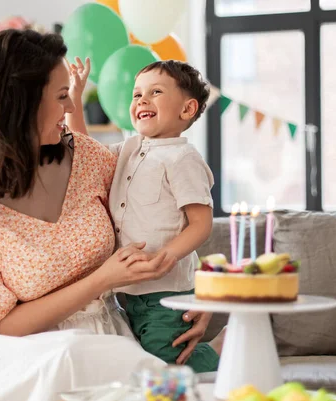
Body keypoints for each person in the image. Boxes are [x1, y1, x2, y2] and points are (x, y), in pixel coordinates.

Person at [0, 29, 180, 401]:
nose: (73, 108)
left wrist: (191, 298)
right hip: (21, 348)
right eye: (62, 97)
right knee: (70, 356)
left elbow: (164, 210)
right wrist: (102, 279)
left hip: (105, 337)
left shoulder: (88, 159)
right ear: (20, 103)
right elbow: (1, 324)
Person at [66, 59, 224, 373]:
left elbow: (201, 223)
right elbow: (81, 148)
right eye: (137, 94)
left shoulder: (182, 158)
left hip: (167, 290)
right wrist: (75, 96)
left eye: (155, 92)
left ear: (187, 109)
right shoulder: (127, 149)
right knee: (144, 356)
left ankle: (226, 358)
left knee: (167, 359)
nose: (142, 100)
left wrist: (169, 254)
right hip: (129, 289)